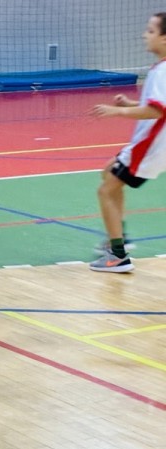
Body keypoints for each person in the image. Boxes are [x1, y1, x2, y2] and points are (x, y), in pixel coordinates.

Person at [89, 12, 166, 273]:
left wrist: (117, 111)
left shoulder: (162, 72)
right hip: (154, 144)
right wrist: (131, 103)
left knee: (106, 190)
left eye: (151, 31)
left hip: (152, 145)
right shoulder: (161, 69)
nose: (145, 35)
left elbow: (156, 111)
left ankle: (117, 255)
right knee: (108, 172)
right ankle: (119, 236)